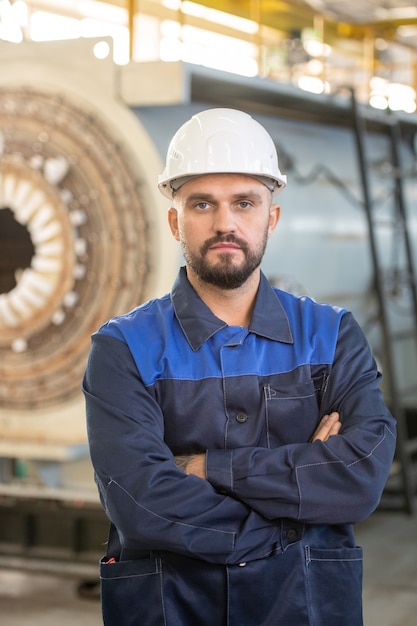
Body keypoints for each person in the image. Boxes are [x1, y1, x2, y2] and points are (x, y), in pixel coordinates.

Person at [83, 108, 396, 626]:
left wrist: (204, 467)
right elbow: (142, 500)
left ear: (270, 217)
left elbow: (359, 476)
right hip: (172, 607)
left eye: (244, 203)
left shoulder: (331, 334)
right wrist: (291, 520)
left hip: (309, 603)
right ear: (174, 220)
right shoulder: (123, 348)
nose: (225, 223)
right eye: (202, 203)